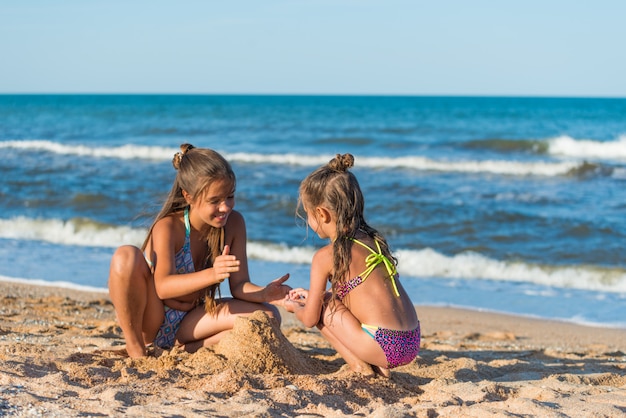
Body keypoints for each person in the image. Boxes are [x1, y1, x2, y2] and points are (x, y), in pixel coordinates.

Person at [108, 143, 291, 358]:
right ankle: (136, 347)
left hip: (191, 319)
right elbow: (163, 287)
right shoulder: (169, 227)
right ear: (189, 197)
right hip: (153, 317)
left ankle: (187, 349)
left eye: (230, 196)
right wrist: (213, 274)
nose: (226, 207)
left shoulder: (234, 224)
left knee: (268, 317)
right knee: (126, 255)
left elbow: (239, 285)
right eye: (215, 201)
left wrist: (264, 293)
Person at [284, 153, 420, 377]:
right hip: (411, 342)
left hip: (383, 346)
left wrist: (296, 308)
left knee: (319, 310)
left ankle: (361, 367)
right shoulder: (373, 241)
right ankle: (378, 367)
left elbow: (309, 319)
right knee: (324, 301)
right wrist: (312, 295)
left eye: (308, 214)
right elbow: (355, 294)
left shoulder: (325, 256)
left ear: (322, 214)